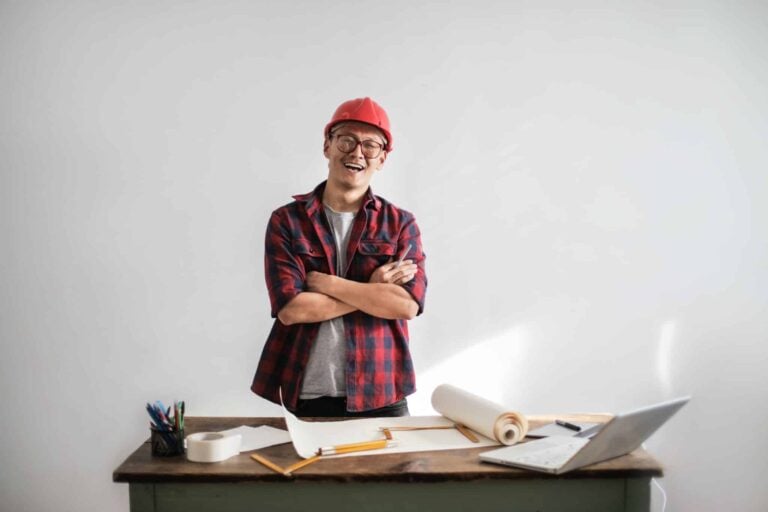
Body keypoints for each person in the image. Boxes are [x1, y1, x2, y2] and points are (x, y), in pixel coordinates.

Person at [251, 97, 427, 417]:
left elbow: (406, 306)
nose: (357, 153)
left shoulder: (401, 224)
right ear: (327, 146)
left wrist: (328, 283)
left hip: (383, 393)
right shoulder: (287, 221)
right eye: (346, 140)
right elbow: (291, 310)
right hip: (310, 393)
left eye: (371, 145)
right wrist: (373, 289)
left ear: (382, 159)